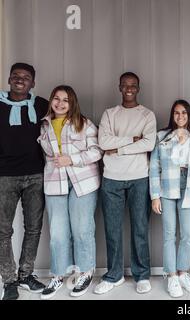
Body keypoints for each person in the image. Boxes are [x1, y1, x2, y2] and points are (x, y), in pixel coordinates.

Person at [37, 85, 103, 299]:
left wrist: (71, 159)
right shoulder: (44, 126)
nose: (60, 103)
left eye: (66, 100)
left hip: (83, 183)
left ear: (72, 103)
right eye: (56, 98)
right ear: (51, 101)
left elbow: (97, 151)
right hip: (55, 183)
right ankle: (58, 274)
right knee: (57, 233)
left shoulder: (83, 123)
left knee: (82, 229)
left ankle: (85, 271)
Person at [94, 72, 157, 295]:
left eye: (133, 85)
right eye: (125, 85)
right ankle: (114, 275)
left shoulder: (147, 115)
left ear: (138, 88)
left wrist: (117, 149)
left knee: (140, 228)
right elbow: (103, 142)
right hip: (111, 178)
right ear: (119, 87)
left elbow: (149, 144)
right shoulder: (109, 114)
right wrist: (133, 139)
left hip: (140, 177)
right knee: (112, 229)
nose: (129, 88)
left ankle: (142, 275)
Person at [0, 63, 47, 300]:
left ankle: (25, 274)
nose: (20, 80)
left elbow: (62, 125)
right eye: (16, 76)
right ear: (9, 79)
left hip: (36, 176)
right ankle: (9, 281)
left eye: (26, 77)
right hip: (4, 176)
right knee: (3, 230)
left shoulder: (40, 105)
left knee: (34, 228)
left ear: (33, 83)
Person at [150, 100, 190, 298]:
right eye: (176, 113)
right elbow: (154, 168)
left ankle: (183, 273)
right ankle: (171, 275)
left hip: (189, 187)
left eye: (184, 113)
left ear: (189, 115)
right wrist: (155, 196)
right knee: (169, 233)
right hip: (167, 187)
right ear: (172, 115)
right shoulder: (162, 137)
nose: (180, 116)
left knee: (188, 234)